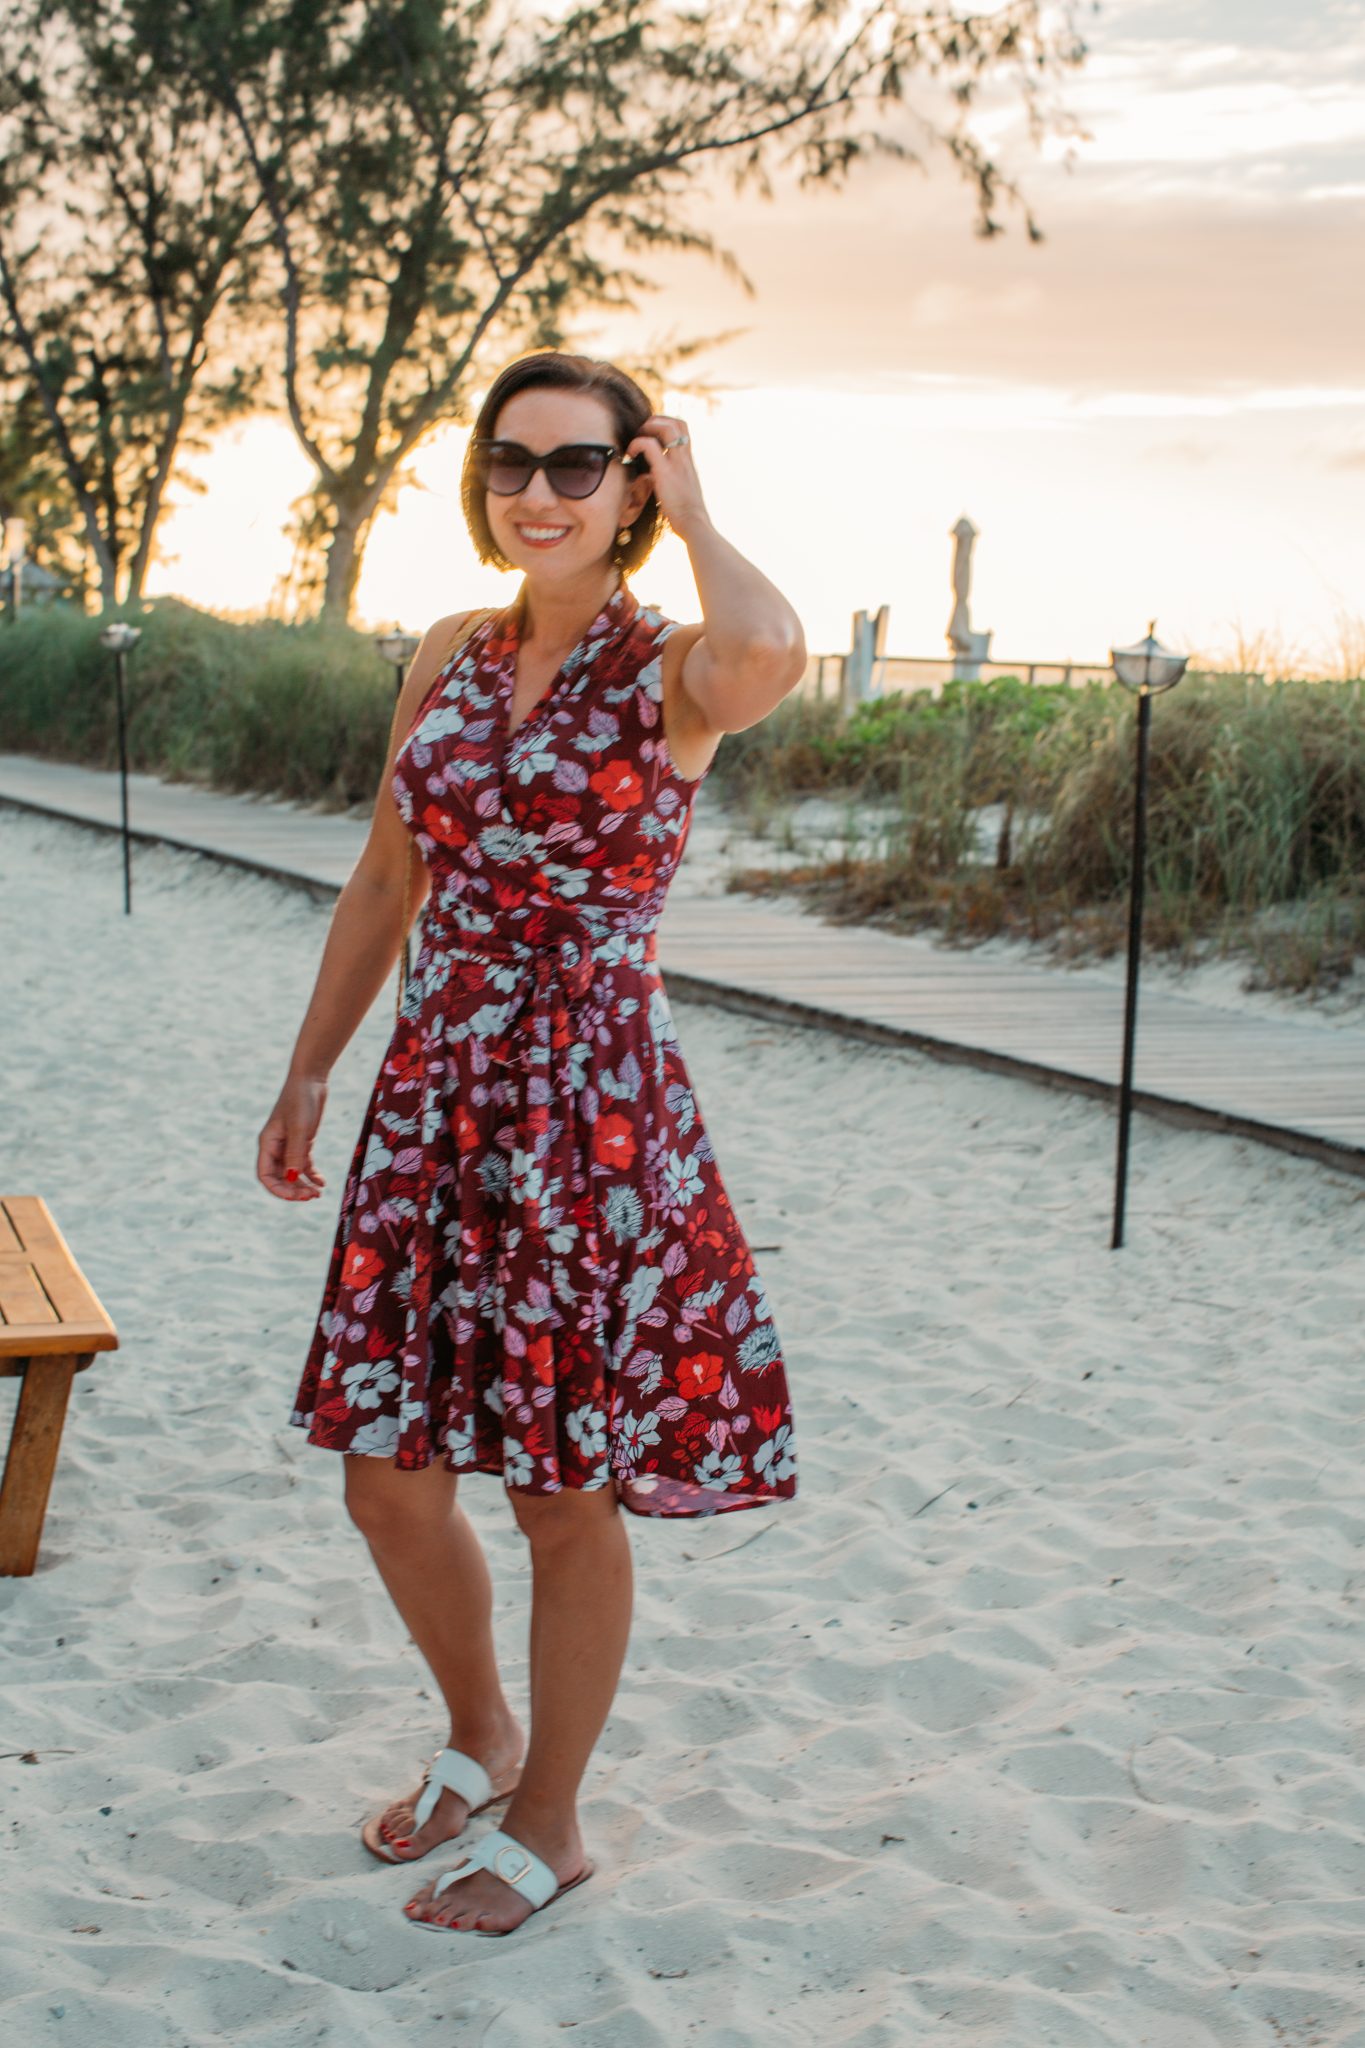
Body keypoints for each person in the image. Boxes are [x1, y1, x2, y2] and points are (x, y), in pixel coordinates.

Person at [256, 348, 805, 1937]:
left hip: (587, 1116)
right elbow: (382, 880)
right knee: (387, 1476)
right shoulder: (444, 650)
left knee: (566, 1492)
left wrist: (692, 501)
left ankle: (551, 1815)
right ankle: (480, 1731)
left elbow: (772, 641)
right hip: (433, 1099)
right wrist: (309, 1073)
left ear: (631, 483)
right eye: (512, 462)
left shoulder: (674, 669)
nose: (539, 493)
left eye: (579, 465)